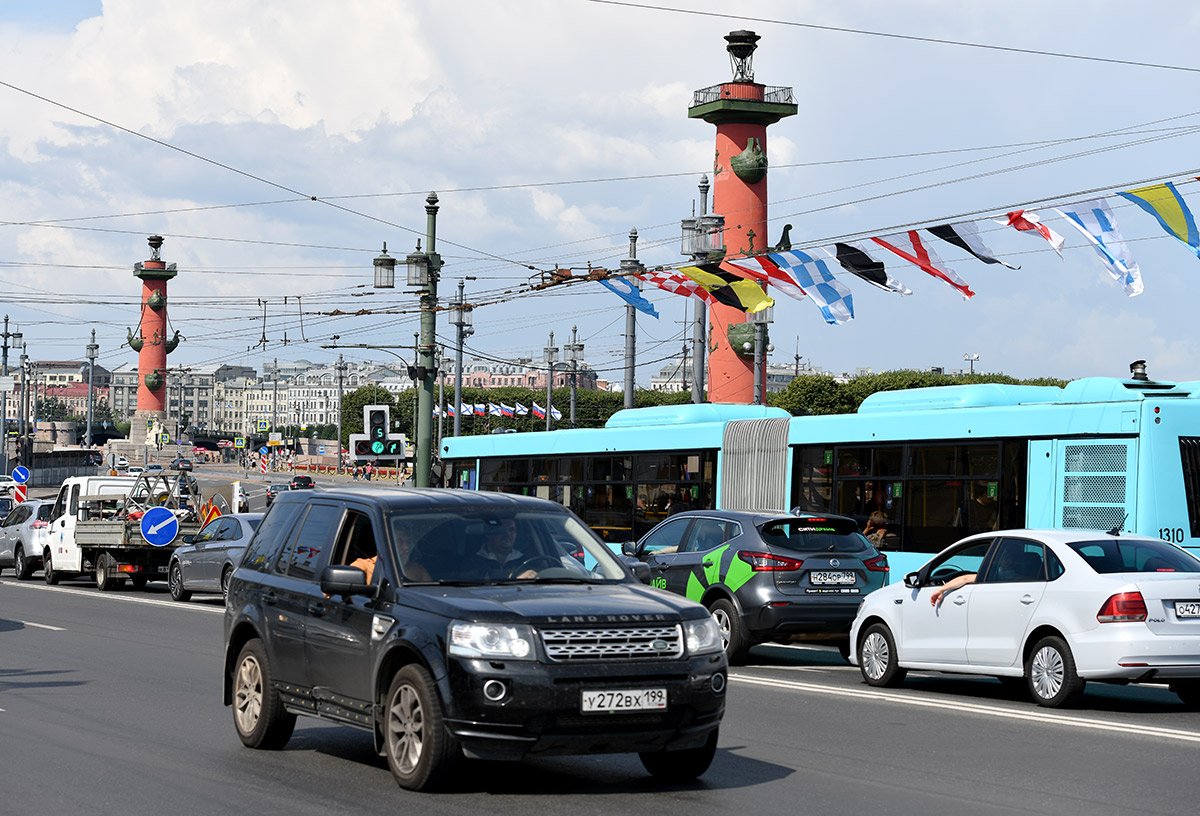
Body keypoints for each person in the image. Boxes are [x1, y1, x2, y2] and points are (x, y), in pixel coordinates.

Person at [465, 518, 537, 579]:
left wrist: (531, 574)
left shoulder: (528, 559)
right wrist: (516, 578)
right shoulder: (470, 561)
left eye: (512, 530)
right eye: (502, 530)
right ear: (488, 534)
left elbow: (544, 573)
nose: (508, 534)